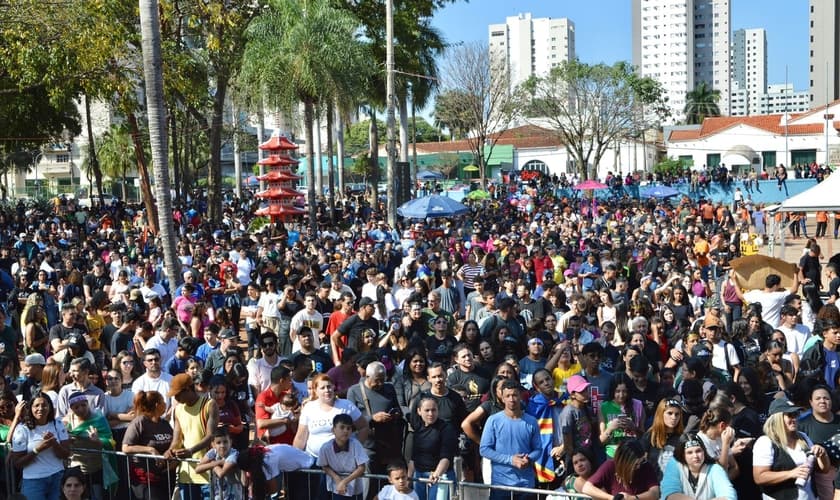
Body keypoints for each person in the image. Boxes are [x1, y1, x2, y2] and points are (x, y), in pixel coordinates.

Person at [346, 361, 405, 496]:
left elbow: (397, 407)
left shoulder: (389, 388)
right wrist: (372, 418)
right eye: (377, 381)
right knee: (369, 485)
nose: (380, 384)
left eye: (383, 380)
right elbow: (349, 419)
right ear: (367, 377)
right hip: (368, 446)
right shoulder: (354, 391)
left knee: (391, 486)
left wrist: (395, 413)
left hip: (389, 445)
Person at [753, 396, 829, 500]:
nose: (795, 419)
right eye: (790, 415)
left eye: (796, 414)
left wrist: (823, 455)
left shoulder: (803, 437)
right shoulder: (765, 442)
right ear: (778, 418)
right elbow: (759, 477)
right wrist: (791, 473)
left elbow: (824, 470)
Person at [479, 380, 541, 500]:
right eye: (508, 396)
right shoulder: (493, 420)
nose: (511, 399)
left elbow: (538, 449)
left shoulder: (532, 421)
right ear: (502, 398)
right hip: (501, 485)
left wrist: (528, 459)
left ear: (521, 396)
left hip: (526, 485)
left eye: (515, 395)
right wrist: (510, 460)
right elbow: (484, 449)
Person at [166, 373, 220, 500]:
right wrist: (170, 451)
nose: (176, 397)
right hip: (187, 473)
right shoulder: (178, 409)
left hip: (208, 470)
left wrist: (190, 451)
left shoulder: (209, 404)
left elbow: (211, 436)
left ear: (189, 389)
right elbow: (177, 439)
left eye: (178, 394)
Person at [10, 392, 72, 500]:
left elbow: (66, 454)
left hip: (57, 477)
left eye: (44, 405)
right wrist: (37, 450)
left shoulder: (57, 424)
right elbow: (17, 463)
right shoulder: (22, 429)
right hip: (33, 481)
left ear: (50, 407)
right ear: (30, 408)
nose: (41, 408)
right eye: (36, 405)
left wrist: (53, 443)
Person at [122, 390, 175, 500]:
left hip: (166, 477)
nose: (166, 405)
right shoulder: (139, 422)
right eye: (163, 402)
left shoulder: (164, 423)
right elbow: (126, 447)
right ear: (157, 405)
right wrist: (150, 450)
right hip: (145, 480)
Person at [65, 390, 116, 499]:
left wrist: (97, 440)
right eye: (76, 407)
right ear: (71, 409)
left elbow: (111, 441)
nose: (81, 409)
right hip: (76, 467)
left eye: (83, 405)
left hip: (96, 468)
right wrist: (67, 440)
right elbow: (63, 441)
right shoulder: (68, 420)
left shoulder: (99, 419)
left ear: (88, 403)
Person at [660, 434, 737, 500]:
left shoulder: (715, 468)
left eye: (698, 451)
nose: (695, 456)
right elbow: (669, 494)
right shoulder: (674, 464)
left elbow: (729, 496)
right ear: (682, 455)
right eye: (689, 452)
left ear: (704, 451)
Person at [408, 396, 456, 500]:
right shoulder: (418, 428)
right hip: (419, 476)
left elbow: (446, 457)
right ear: (419, 411)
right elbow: (413, 457)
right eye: (427, 410)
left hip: (440, 476)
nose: (430, 414)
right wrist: (408, 477)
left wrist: (436, 474)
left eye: (434, 410)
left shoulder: (446, 428)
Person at [581, 439, 660, 500]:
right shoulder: (610, 466)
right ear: (624, 462)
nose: (639, 466)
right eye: (635, 464)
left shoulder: (646, 466)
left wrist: (633, 498)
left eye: (641, 462)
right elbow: (587, 488)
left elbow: (655, 492)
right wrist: (612, 498)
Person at [317, 413, 369, 500]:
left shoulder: (356, 444)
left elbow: (361, 467)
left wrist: (344, 481)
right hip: (336, 488)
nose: (345, 431)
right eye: (342, 427)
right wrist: (337, 478)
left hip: (355, 488)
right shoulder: (325, 448)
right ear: (333, 430)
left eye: (348, 428)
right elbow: (324, 465)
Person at [640, 398, 685, 478]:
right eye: (670, 413)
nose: (674, 417)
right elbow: (640, 463)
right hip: (654, 485)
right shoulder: (650, 436)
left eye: (677, 414)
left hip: (675, 485)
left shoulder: (682, 438)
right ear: (661, 414)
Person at [195, 427, 243, 500]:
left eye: (225, 442)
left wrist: (211, 464)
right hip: (218, 496)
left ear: (230, 442)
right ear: (213, 444)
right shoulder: (213, 452)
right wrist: (217, 462)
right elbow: (197, 469)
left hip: (233, 495)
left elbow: (221, 473)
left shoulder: (233, 454)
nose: (222, 445)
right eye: (218, 443)